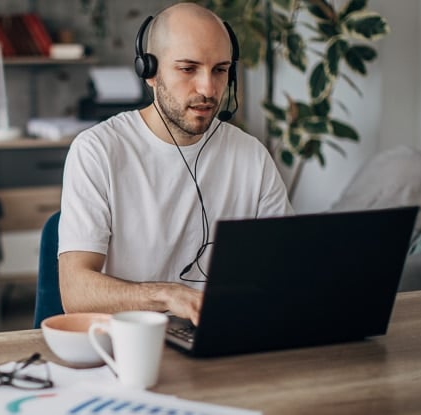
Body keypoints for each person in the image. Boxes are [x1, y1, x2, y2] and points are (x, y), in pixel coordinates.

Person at [58, 3, 293, 326]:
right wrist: (168, 296)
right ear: (149, 71)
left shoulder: (250, 154)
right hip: (131, 347)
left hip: (224, 336)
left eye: (220, 70)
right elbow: (76, 293)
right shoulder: (98, 150)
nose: (208, 89)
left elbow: (286, 267)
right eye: (188, 69)